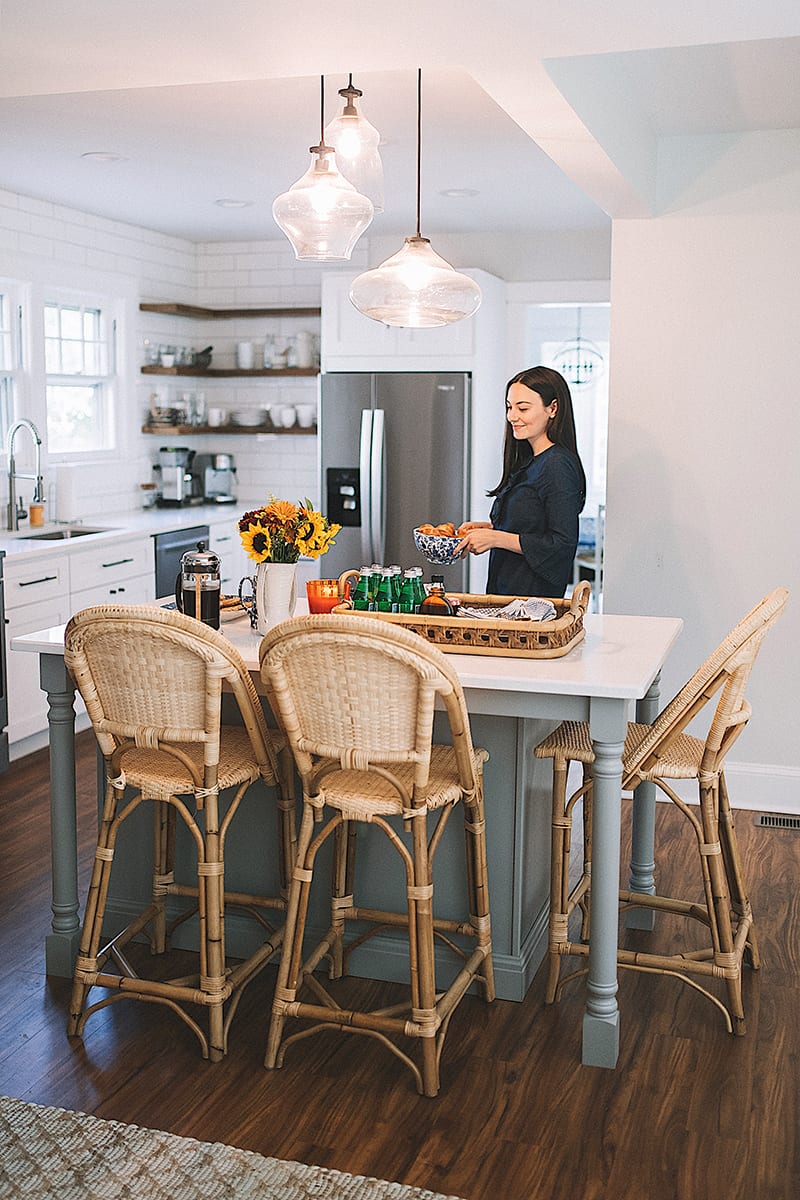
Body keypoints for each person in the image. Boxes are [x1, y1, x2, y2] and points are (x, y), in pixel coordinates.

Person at [457, 366, 586, 597]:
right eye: (509, 407)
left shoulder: (557, 464)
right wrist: (488, 531)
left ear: (553, 408)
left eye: (523, 408)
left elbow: (562, 544)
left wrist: (497, 538)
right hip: (507, 597)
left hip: (532, 607)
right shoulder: (530, 462)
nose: (511, 416)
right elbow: (532, 527)